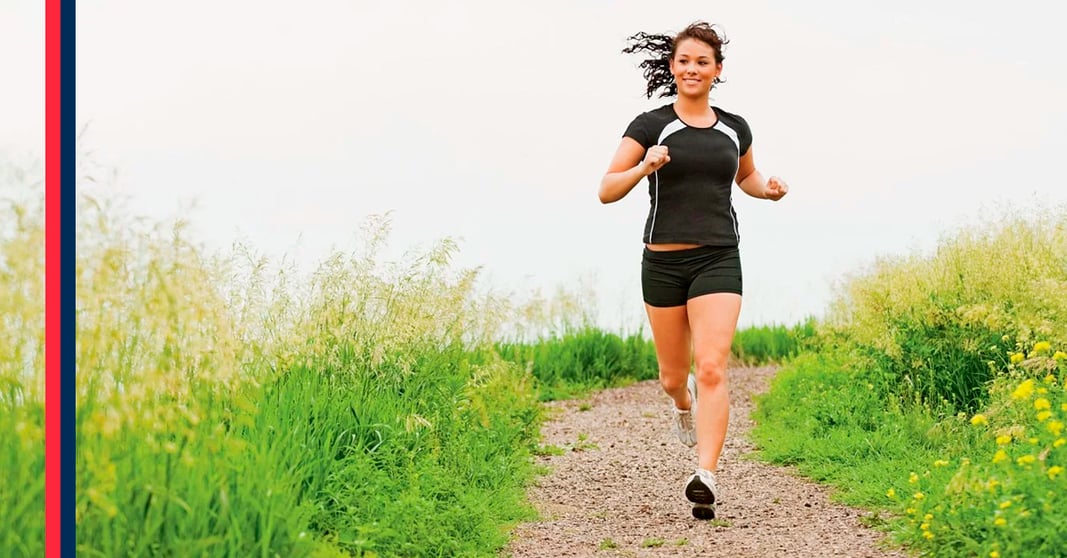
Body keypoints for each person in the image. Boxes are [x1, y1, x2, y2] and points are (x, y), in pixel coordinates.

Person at [598, 21, 788, 520]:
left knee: (711, 366)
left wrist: (767, 188)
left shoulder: (735, 127)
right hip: (662, 261)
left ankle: (706, 474)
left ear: (717, 70)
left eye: (703, 62)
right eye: (684, 61)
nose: (692, 69)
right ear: (672, 67)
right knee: (671, 376)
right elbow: (606, 188)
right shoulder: (650, 125)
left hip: (719, 257)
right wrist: (645, 167)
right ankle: (682, 406)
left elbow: (746, 176)